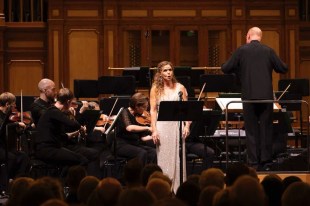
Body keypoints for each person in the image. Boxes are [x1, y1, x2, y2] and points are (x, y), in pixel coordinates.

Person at [221, 27, 288, 169]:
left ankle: (253, 162)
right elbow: (283, 68)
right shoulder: (268, 50)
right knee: (266, 128)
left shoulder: (241, 50)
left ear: (248, 36)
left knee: (251, 130)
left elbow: (226, 68)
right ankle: (266, 160)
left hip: (249, 97)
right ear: (260, 37)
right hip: (266, 97)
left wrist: (239, 69)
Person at [150, 60, 190, 193]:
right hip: (163, 126)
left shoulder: (180, 88)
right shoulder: (155, 88)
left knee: (179, 158)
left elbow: (187, 110)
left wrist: (187, 126)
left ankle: (179, 190)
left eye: (170, 70)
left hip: (177, 126)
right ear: (160, 73)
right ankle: (164, 190)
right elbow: (153, 110)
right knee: (163, 158)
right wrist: (154, 130)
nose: (168, 73)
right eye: (165, 70)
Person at [35, 88, 90, 169]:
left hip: (50, 148)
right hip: (47, 150)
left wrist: (72, 134)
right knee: (82, 160)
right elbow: (71, 124)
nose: (71, 105)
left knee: (75, 159)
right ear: (68, 102)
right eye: (71, 103)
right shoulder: (53, 111)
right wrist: (81, 127)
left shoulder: (53, 112)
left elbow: (58, 136)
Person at [115, 92, 156, 165]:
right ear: (137, 106)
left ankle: (149, 173)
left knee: (153, 152)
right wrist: (147, 128)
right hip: (122, 145)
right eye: (144, 107)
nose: (146, 110)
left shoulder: (138, 116)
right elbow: (129, 128)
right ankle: (139, 175)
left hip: (135, 143)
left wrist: (153, 136)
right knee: (142, 153)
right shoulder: (124, 112)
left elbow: (142, 138)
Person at [0, 92, 30, 187]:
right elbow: (2, 128)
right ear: (7, 104)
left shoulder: (8, 116)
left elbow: (12, 131)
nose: (15, 106)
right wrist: (17, 124)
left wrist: (20, 131)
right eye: (13, 104)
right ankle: (4, 183)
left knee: (23, 156)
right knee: (11, 157)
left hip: (6, 147)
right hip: (0, 147)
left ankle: (17, 183)